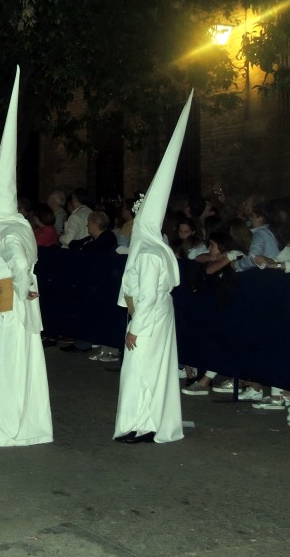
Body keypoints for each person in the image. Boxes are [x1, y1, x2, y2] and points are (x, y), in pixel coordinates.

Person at [0, 67, 53, 447]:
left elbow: (19, 263)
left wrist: (22, 289)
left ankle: (5, 429)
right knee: (11, 363)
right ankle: (10, 425)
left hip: (6, 309)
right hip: (7, 306)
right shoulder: (15, 226)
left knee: (5, 365)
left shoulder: (8, 231)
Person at [112, 92, 191, 445]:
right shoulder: (159, 249)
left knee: (141, 369)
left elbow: (145, 295)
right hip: (161, 316)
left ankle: (143, 424)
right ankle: (150, 422)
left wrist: (135, 328)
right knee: (154, 369)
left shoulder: (147, 254)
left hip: (149, 319)